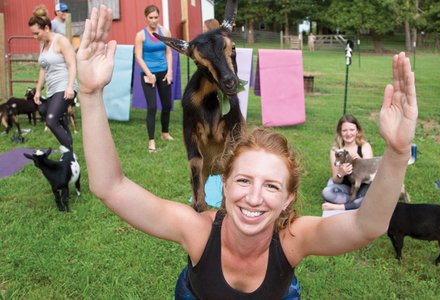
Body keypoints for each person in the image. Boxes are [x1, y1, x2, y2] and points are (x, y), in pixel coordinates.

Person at [77, 6, 417, 298]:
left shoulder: (291, 241)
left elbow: (366, 225)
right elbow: (111, 187)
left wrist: (398, 152)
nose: (254, 197)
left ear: (288, 199)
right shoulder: (198, 232)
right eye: (243, 180)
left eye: (271, 185)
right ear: (223, 185)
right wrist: (90, 96)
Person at [29, 5, 77, 151]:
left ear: (46, 28)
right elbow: (43, 69)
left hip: (64, 86)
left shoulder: (60, 41)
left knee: (51, 120)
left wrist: (70, 86)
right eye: (33, 34)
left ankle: (68, 153)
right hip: (51, 89)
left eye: (37, 33)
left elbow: (72, 64)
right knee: (61, 122)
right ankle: (69, 154)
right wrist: (38, 91)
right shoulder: (44, 45)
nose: (35, 37)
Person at [134, 4, 174, 153]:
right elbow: (138, 56)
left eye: (156, 17)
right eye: (150, 18)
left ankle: (165, 133)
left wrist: (169, 71)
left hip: (163, 72)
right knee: (152, 107)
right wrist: (148, 74)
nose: (153, 20)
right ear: (146, 18)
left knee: (167, 105)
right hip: (148, 74)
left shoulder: (165, 32)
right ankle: (151, 141)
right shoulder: (141, 35)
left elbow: (169, 53)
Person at [321, 115, 374, 211]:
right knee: (327, 192)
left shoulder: (364, 146)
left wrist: (360, 161)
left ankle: (341, 206)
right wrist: (341, 173)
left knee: (372, 194)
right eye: (344, 130)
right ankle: (355, 203)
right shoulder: (335, 150)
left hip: (364, 186)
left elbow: (369, 176)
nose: (348, 133)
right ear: (340, 133)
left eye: (352, 130)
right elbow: (336, 180)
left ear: (357, 131)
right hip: (347, 188)